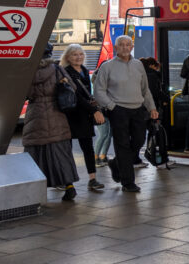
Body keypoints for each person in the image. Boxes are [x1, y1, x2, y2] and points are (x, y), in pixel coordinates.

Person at [93, 35, 157, 193]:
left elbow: (145, 89)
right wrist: (112, 106)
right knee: (122, 145)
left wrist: (152, 108)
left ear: (132, 46)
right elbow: (98, 91)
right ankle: (128, 182)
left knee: (139, 140)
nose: (125, 47)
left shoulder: (138, 65)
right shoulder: (107, 66)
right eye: (121, 45)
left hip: (138, 109)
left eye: (128, 45)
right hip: (118, 110)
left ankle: (116, 164)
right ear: (116, 48)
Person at [23, 43, 80, 201]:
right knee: (60, 152)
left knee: (35, 152)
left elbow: (25, 93)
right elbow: (72, 87)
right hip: (56, 114)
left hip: (36, 115)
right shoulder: (56, 69)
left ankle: (35, 189)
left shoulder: (28, 71)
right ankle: (69, 186)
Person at [60, 44, 105, 191]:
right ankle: (66, 181)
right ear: (68, 57)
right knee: (67, 150)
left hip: (84, 115)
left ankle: (92, 179)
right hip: (70, 115)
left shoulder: (85, 71)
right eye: (74, 54)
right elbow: (76, 96)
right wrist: (94, 111)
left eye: (81, 54)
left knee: (88, 148)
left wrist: (94, 108)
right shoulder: (65, 72)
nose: (78, 57)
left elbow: (87, 95)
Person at [141, 57, 170, 167]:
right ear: (152, 66)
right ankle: (157, 158)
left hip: (142, 109)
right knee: (156, 133)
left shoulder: (143, 75)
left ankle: (148, 156)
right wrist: (166, 99)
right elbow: (154, 93)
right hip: (151, 109)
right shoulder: (152, 76)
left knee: (145, 134)